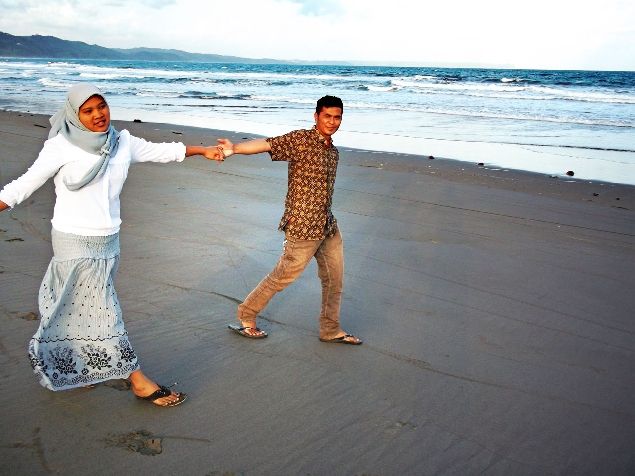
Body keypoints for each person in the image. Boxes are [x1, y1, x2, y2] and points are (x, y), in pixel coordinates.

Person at [0, 83, 224, 406]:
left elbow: (162, 151)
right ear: (74, 115)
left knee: (78, 306)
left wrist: (202, 151)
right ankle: (137, 380)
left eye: (101, 107)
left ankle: (75, 364)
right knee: (106, 310)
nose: (98, 115)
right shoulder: (61, 147)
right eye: (87, 111)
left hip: (108, 241)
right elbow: (23, 185)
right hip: (74, 240)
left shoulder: (122, 143)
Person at [218, 95, 362, 345]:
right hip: (303, 226)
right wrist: (235, 149)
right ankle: (246, 315)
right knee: (283, 276)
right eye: (327, 116)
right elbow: (268, 144)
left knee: (334, 279)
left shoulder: (333, 151)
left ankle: (330, 329)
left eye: (337, 117)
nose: (332, 121)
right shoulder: (301, 140)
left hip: (327, 225)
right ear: (316, 116)